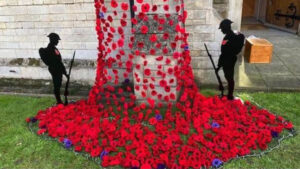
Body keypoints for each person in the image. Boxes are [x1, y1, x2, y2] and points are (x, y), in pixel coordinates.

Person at [216, 19, 244, 100]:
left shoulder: (233, 36)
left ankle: (230, 96)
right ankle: (229, 94)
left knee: (229, 77)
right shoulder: (227, 37)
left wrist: (220, 63)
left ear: (226, 28)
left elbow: (228, 52)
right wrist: (220, 64)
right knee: (228, 76)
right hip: (225, 60)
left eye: (222, 28)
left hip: (229, 60)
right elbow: (223, 52)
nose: (221, 30)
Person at [39, 33, 68, 104]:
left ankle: (59, 100)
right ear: (53, 40)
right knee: (57, 85)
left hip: (58, 69)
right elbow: (56, 61)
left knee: (58, 84)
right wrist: (64, 72)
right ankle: (59, 101)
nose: (58, 41)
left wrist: (64, 72)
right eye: (57, 40)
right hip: (55, 69)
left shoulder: (55, 49)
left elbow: (59, 61)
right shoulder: (50, 49)